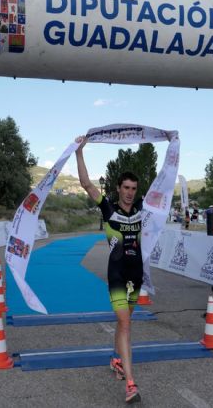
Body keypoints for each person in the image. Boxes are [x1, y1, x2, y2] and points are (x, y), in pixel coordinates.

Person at [75, 135, 142, 404]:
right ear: (118, 188)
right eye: (126, 187)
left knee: (125, 323)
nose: (129, 192)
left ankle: (116, 359)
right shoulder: (108, 208)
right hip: (116, 274)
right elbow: (86, 184)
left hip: (136, 276)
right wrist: (80, 152)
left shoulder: (140, 210)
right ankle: (130, 383)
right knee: (125, 324)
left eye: (133, 188)